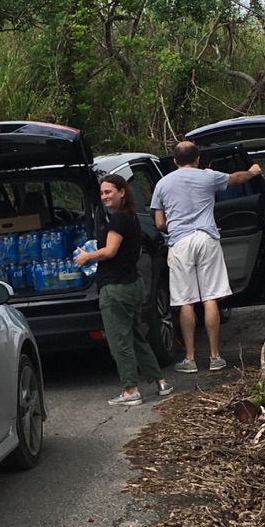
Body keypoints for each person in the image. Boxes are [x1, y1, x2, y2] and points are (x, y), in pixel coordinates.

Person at [151, 141, 265, 374]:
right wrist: (253, 171)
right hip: (207, 238)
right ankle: (215, 357)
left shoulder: (162, 184)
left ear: (175, 161)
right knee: (211, 297)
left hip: (180, 243)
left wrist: (175, 229)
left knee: (185, 301)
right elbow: (236, 179)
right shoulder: (208, 176)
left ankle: (190, 359)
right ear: (197, 160)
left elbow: (160, 223)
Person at [75, 174, 171, 406]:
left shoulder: (118, 220)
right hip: (132, 284)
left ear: (122, 191)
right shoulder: (131, 217)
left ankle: (131, 390)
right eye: (102, 193)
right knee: (137, 337)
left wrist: (87, 256)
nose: (105, 196)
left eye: (109, 191)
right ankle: (160, 381)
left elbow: (110, 251)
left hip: (116, 288)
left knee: (120, 340)